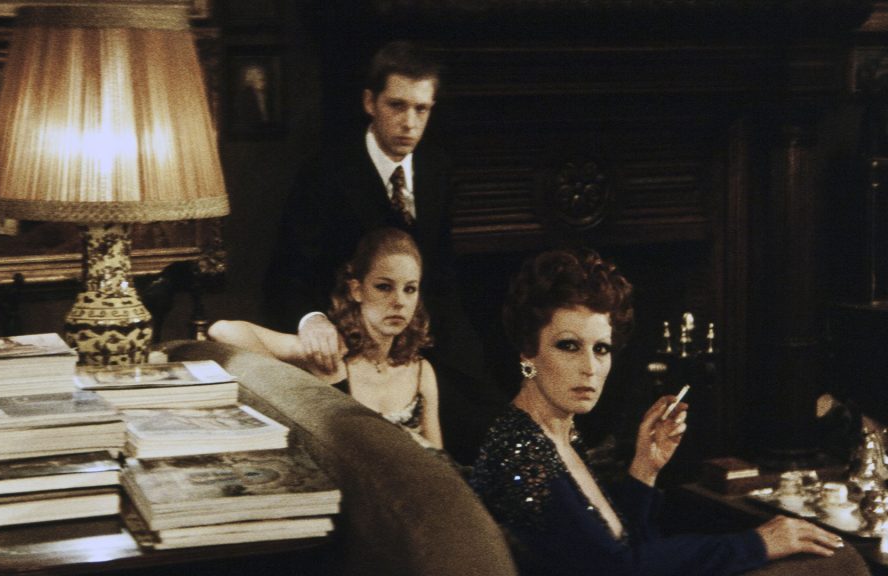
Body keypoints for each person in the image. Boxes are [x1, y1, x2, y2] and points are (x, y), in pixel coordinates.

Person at [469, 247, 846, 576]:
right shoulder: (520, 451)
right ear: (528, 351)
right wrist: (756, 543)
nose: (590, 367)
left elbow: (621, 550)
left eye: (601, 349)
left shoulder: (557, 435)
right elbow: (621, 569)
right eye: (568, 346)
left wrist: (644, 468)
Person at [263, 39, 502, 464]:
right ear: (370, 102)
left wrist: (466, 360)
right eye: (397, 106)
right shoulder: (326, 173)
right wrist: (312, 320)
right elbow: (287, 276)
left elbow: (442, 277)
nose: (410, 123)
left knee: (494, 421)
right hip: (353, 349)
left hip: (423, 342)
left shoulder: (436, 169)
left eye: (421, 109)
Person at [212, 228, 442, 449]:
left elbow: (439, 460)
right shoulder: (331, 356)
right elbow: (223, 330)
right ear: (357, 290)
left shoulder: (421, 370)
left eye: (410, 289)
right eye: (384, 287)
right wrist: (291, 371)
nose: (399, 301)